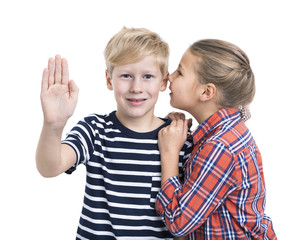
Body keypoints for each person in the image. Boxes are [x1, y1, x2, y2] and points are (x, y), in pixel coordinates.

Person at [36, 27, 192, 239]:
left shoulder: (178, 139)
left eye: (148, 76)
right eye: (126, 76)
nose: (136, 87)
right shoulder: (94, 130)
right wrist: (53, 125)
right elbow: (49, 167)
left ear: (163, 82)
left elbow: (186, 217)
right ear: (109, 80)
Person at [155, 39, 277, 239]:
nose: (170, 76)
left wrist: (169, 152)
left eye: (180, 72)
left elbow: (178, 223)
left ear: (206, 92)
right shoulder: (222, 133)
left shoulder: (220, 147)